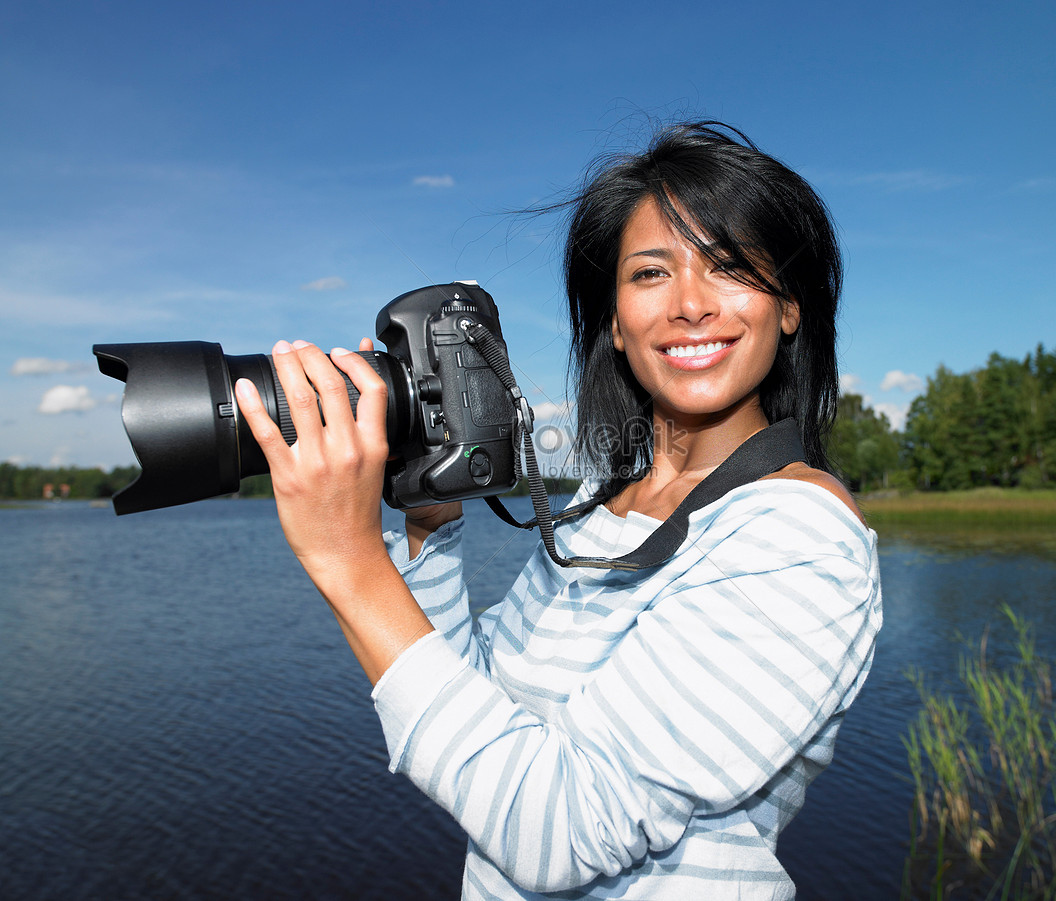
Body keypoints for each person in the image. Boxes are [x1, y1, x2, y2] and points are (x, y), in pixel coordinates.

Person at [235, 121, 883, 900]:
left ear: (790, 308)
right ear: (613, 320)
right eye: (650, 274)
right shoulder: (600, 507)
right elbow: (476, 715)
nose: (688, 304)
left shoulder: (798, 537)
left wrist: (347, 560)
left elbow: (561, 829)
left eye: (731, 267)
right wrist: (430, 518)